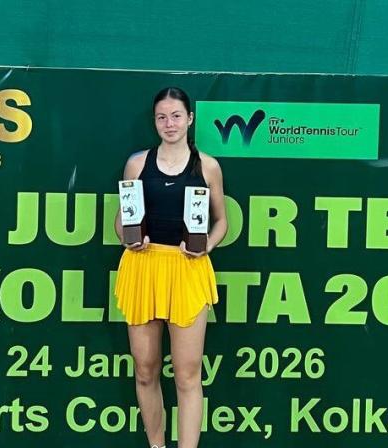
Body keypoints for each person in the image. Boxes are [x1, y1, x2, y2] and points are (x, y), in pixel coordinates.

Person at [114, 87, 228, 448]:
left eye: (176, 116)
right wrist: (128, 238)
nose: (170, 123)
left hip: (188, 271)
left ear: (190, 119)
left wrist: (206, 246)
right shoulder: (137, 164)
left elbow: (221, 222)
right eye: (162, 117)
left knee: (187, 374)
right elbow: (122, 220)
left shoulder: (208, 166)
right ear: (154, 122)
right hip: (143, 268)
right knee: (145, 370)